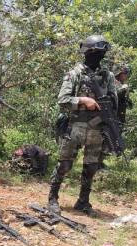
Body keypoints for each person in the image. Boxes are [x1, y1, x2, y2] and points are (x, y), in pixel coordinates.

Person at [48, 35, 118, 217]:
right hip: (75, 126)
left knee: (91, 166)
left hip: (97, 127)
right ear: (86, 53)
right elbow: (62, 100)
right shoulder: (75, 74)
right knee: (65, 165)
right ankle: (53, 198)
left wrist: (107, 109)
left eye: (101, 53)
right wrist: (83, 100)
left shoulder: (108, 76)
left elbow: (113, 100)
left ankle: (83, 201)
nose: (98, 56)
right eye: (95, 52)